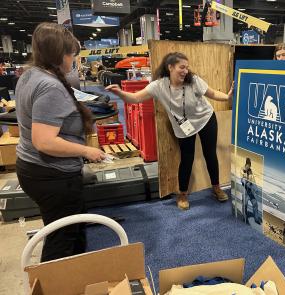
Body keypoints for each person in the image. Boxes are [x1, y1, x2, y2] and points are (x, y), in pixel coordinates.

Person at [15, 23, 106, 262]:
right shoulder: (50, 86)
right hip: (52, 175)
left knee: (66, 232)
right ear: (59, 55)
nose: (74, 60)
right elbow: (44, 141)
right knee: (62, 243)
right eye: (71, 55)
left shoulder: (31, 75)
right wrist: (87, 150)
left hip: (35, 170)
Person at [106, 52, 232, 210]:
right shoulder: (158, 86)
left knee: (210, 154)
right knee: (187, 158)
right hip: (184, 126)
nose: (185, 71)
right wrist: (119, 92)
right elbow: (135, 98)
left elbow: (212, 93)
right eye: (182, 67)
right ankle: (183, 194)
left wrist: (227, 97)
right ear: (170, 67)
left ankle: (216, 187)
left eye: (187, 67)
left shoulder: (194, 81)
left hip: (205, 118)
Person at [240, 157, 261, 224]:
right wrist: (246, 183)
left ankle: (256, 218)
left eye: (250, 165)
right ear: (246, 164)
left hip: (251, 191)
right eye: (248, 165)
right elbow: (242, 179)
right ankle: (244, 217)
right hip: (245, 190)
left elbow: (253, 180)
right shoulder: (242, 169)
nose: (249, 166)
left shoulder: (250, 171)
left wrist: (256, 189)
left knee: (255, 203)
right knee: (245, 204)